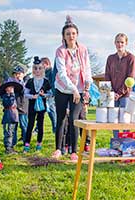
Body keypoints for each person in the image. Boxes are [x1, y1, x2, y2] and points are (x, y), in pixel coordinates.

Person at [51, 16, 93, 161]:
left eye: (73, 33)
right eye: (68, 34)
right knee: (61, 118)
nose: (71, 36)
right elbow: (61, 73)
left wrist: (87, 83)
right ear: (64, 36)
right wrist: (73, 89)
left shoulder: (83, 49)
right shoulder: (60, 51)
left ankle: (74, 151)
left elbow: (87, 67)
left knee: (75, 119)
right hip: (63, 89)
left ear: (77, 35)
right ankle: (58, 149)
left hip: (79, 89)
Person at [104, 33, 135, 137]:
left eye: (122, 42)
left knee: (125, 120)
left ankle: (126, 145)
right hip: (112, 94)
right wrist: (111, 92)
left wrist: (119, 93)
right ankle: (116, 143)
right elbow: (107, 76)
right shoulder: (110, 58)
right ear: (114, 43)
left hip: (125, 95)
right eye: (118, 42)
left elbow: (130, 78)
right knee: (114, 120)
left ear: (126, 43)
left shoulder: (131, 58)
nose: (120, 44)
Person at [23, 56, 52, 152]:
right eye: (35, 68)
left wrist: (44, 95)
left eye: (40, 68)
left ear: (43, 69)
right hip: (31, 106)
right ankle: (27, 143)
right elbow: (25, 93)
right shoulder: (30, 81)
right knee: (30, 124)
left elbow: (51, 93)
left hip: (42, 107)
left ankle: (39, 143)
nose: (37, 70)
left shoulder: (46, 81)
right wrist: (32, 96)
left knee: (40, 125)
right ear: (33, 70)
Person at [0, 81, 23, 154]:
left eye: (12, 88)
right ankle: (8, 148)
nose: (12, 89)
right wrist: (11, 94)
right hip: (8, 116)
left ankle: (12, 146)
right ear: (6, 89)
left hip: (14, 115)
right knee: (8, 132)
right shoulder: (5, 97)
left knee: (13, 132)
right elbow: (10, 103)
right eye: (10, 88)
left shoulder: (14, 95)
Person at [6, 65, 29, 145]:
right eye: (16, 74)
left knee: (24, 125)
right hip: (14, 108)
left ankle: (26, 142)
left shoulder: (26, 82)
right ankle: (13, 142)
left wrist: (21, 83)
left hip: (23, 107)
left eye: (19, 73)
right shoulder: (11, 83)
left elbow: (25, 92)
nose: (17, 75)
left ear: (23, 74)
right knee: (13, 127)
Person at [41, 57, 57, 134]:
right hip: (45, 93)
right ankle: (38, 128)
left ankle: (55, 128)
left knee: (51, 111)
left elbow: (52, 83)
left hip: (50, 94)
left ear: (46, 64)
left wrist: (52, 93)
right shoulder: (44, 73)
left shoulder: (51, 72)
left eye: (42, 64)